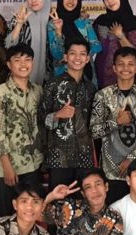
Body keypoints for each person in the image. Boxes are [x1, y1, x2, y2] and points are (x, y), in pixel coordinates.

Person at [90, 47, 136, 203]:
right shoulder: (102, 96)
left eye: (130, 64)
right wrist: (116, 122)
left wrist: (133, 158)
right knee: (114, 212)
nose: (125, 68)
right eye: (121, 64)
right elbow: (94, 131)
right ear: (114, 68)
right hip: (112, 170)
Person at [0, 43, 44, 216]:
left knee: (30, 214)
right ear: (9, 64)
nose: (23, 64)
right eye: (17, 60)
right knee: (7, 215)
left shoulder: (38, 91)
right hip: (10, 166)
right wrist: (6, 165)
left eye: (27, 59)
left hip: (34, 163)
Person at [39, 39, 97, 187]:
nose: (77, 58)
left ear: (87, 59)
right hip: (58, 157)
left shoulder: (90, 88)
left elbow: (94, 124)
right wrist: (57, 115)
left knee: (83, 197)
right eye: (73, 53)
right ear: (65, 57)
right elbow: (40, 119)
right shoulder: (53, 84)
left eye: (82, 54)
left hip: (84, 156)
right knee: (59, 199)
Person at [47, 0, 101, 81]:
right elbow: (57, 54)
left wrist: (80, 58)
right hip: (62, 76)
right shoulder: (53, 23)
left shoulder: (83, 21)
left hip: (85, 74)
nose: (71, 1)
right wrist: (59, 31)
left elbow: (96, 46)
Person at [94, 0, 136, 89]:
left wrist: (121, 36)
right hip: (99, 74)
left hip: (123, 75)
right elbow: (89, 43)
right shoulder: (101, 20)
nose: (109, 0)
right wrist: (83, 22)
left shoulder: (132, 21)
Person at [5, 0, 49, 86]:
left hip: (45, 78)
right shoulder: (20, 16)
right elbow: (9, 46)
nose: (33, 0)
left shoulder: (51, 20)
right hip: (20, 75)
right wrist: (19, 24)